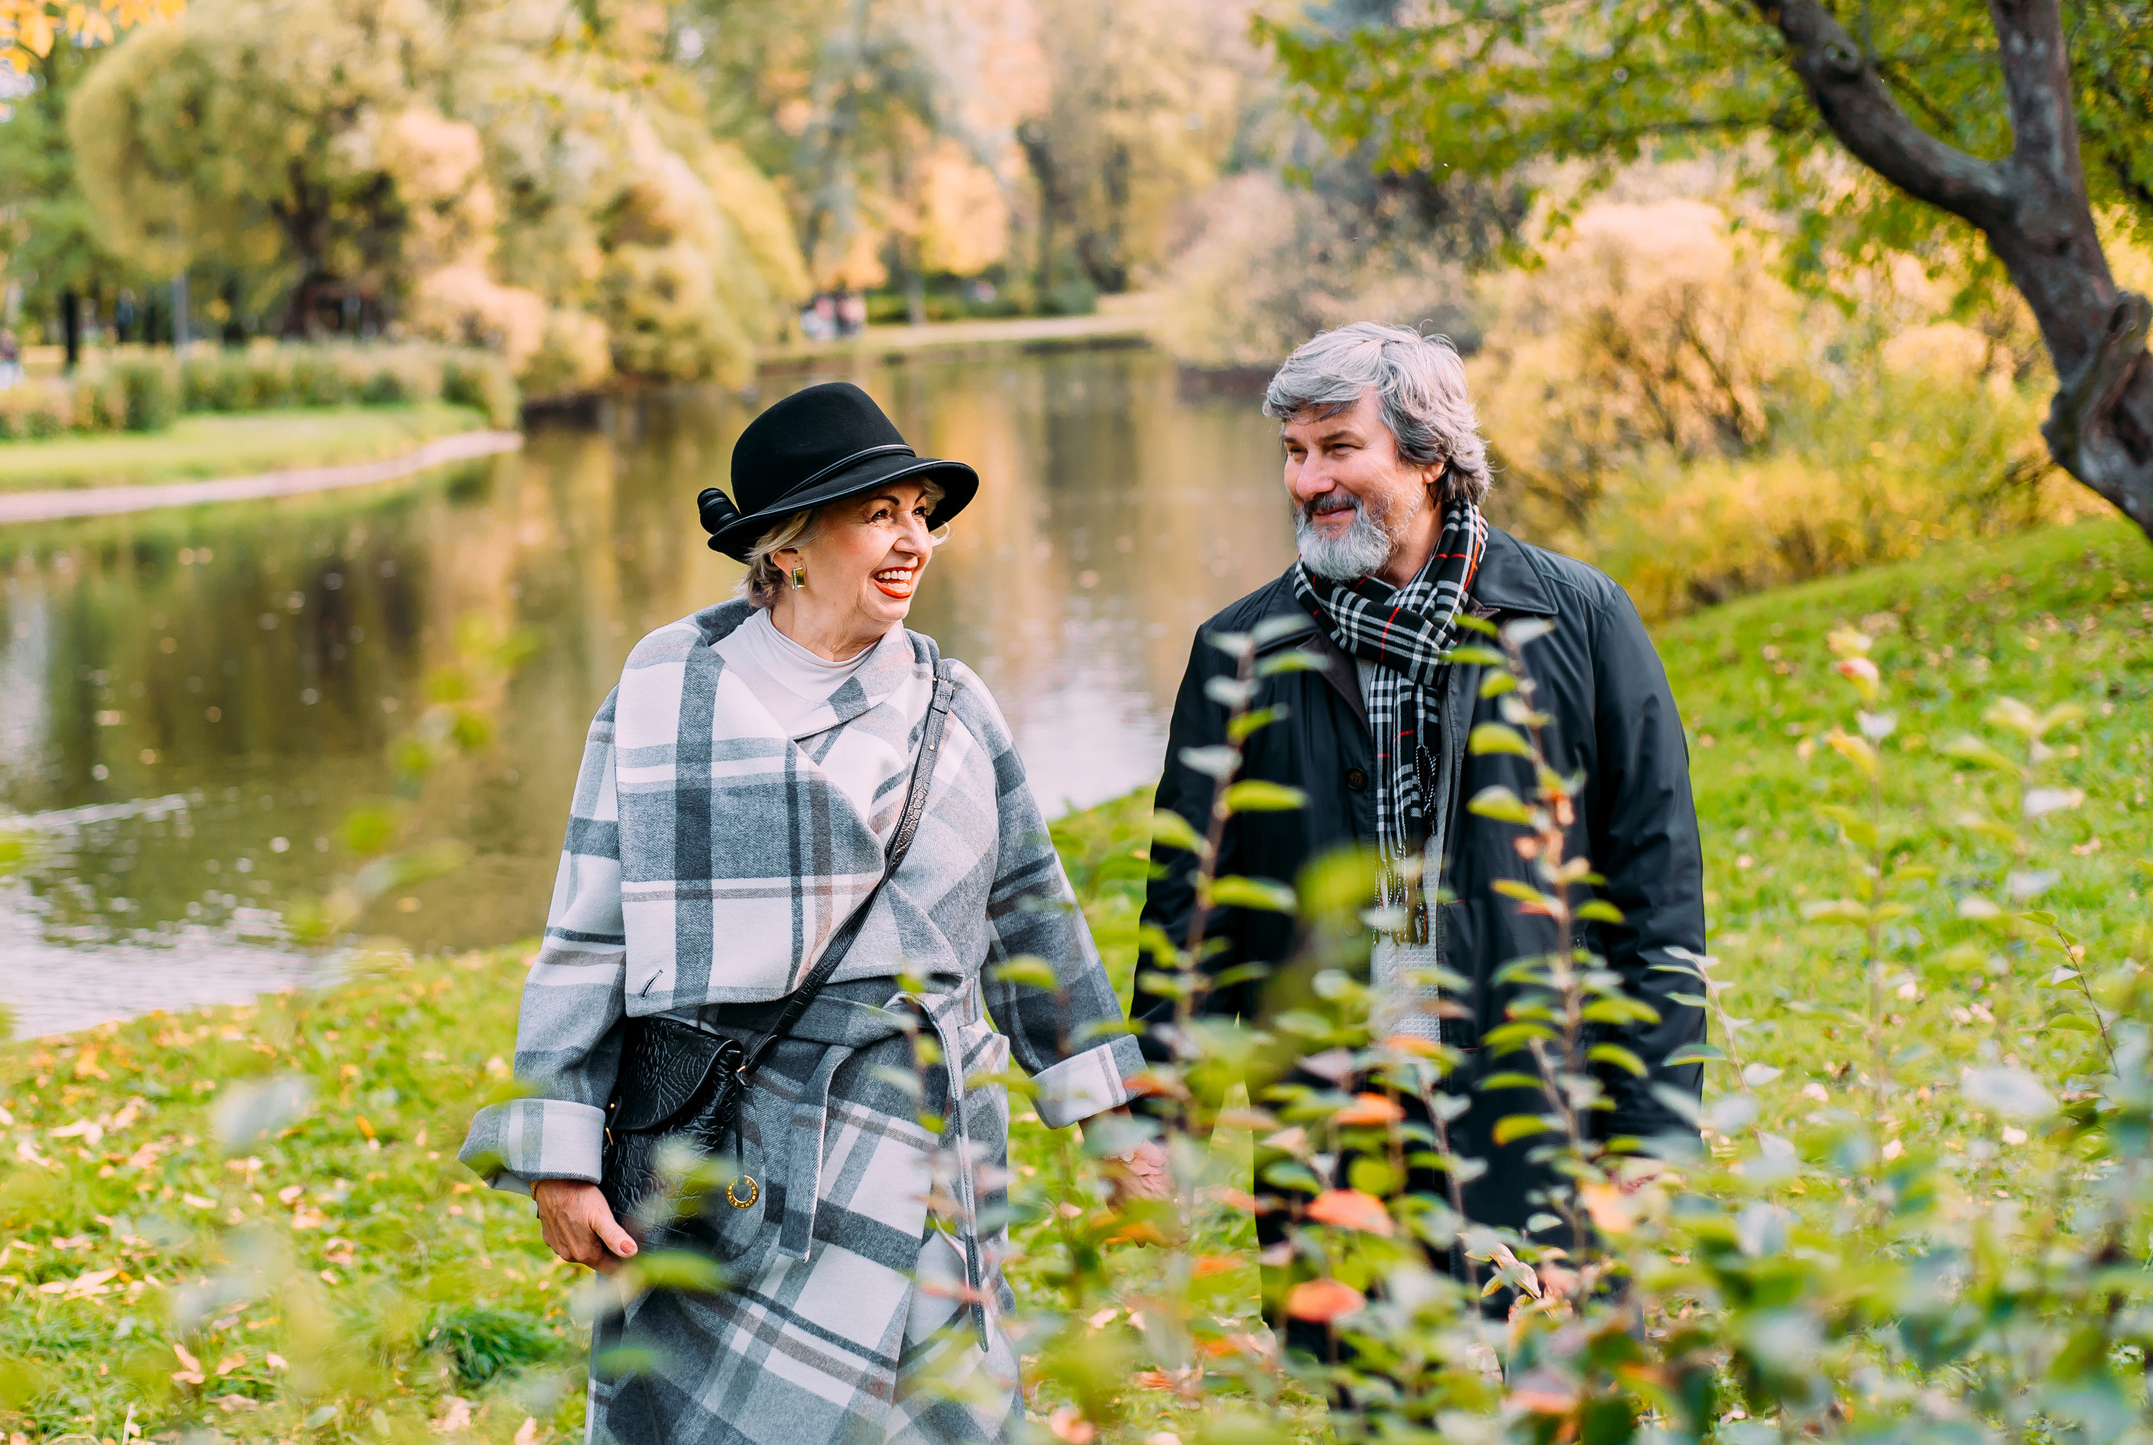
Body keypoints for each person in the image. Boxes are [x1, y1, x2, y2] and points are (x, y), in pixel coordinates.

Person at [463, 381, 1159, 1445]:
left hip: (926, 1142)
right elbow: (590, 928)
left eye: (920, 513)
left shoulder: (950, 699)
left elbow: (1029, 909)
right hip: (734, 1158)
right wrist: (557, 1150)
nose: (913, 539)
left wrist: (1107, 1109)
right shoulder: (667, 692)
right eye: (881, 513)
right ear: (785, 544)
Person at [1132, 324, 1706, 1302]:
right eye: (1293, 452)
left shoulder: (1581, 620)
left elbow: (1654, 890)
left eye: (1337, 446)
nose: (1306, 480)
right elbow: (1192, 915)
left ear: (1431, 454)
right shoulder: (1236, 652)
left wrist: (1650, 1129)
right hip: (1332, 1129)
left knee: (1549, 1393)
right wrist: (1159, 1123)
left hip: (1538, 1107)